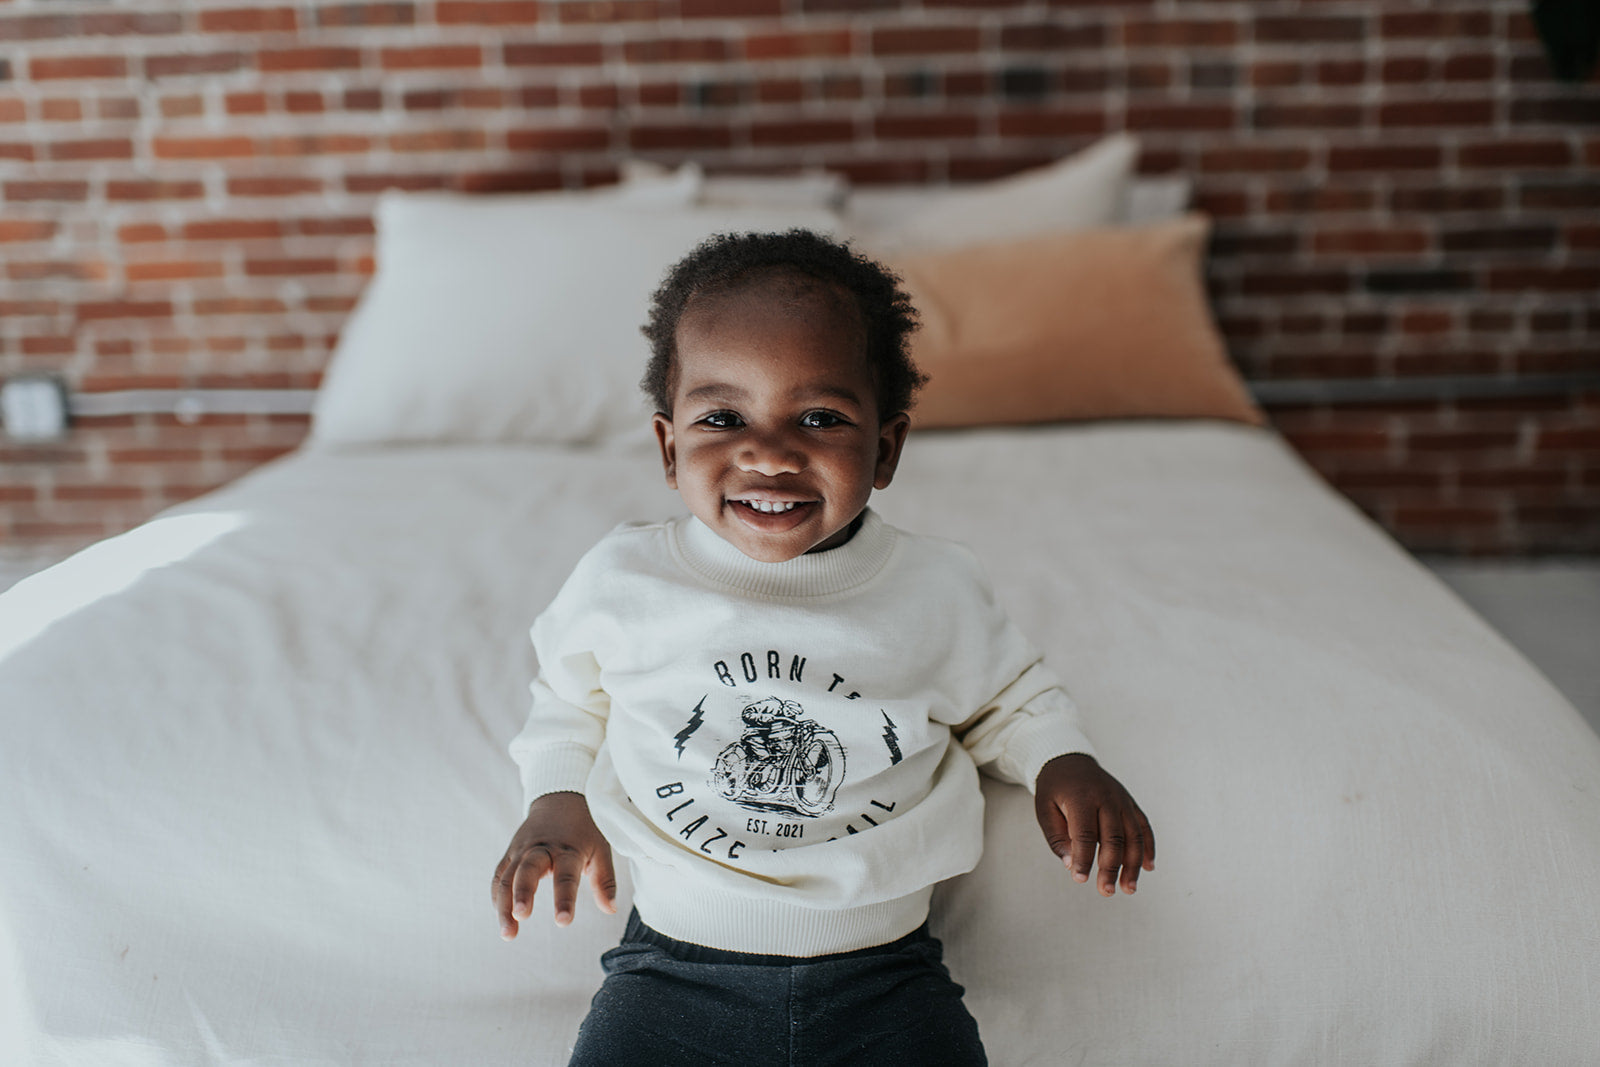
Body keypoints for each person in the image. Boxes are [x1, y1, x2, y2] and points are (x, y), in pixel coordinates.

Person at [492, 229, 1154, 1065]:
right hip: (672, 969)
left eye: (819, 417)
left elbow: (1009, 695)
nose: (768, 453)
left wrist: (1063, 758)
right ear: (669, 446)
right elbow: (566, 693)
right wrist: (556, 797)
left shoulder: (932, 588)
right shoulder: (628, 579)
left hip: (886, 976)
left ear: (885, 449)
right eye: (723, 416)